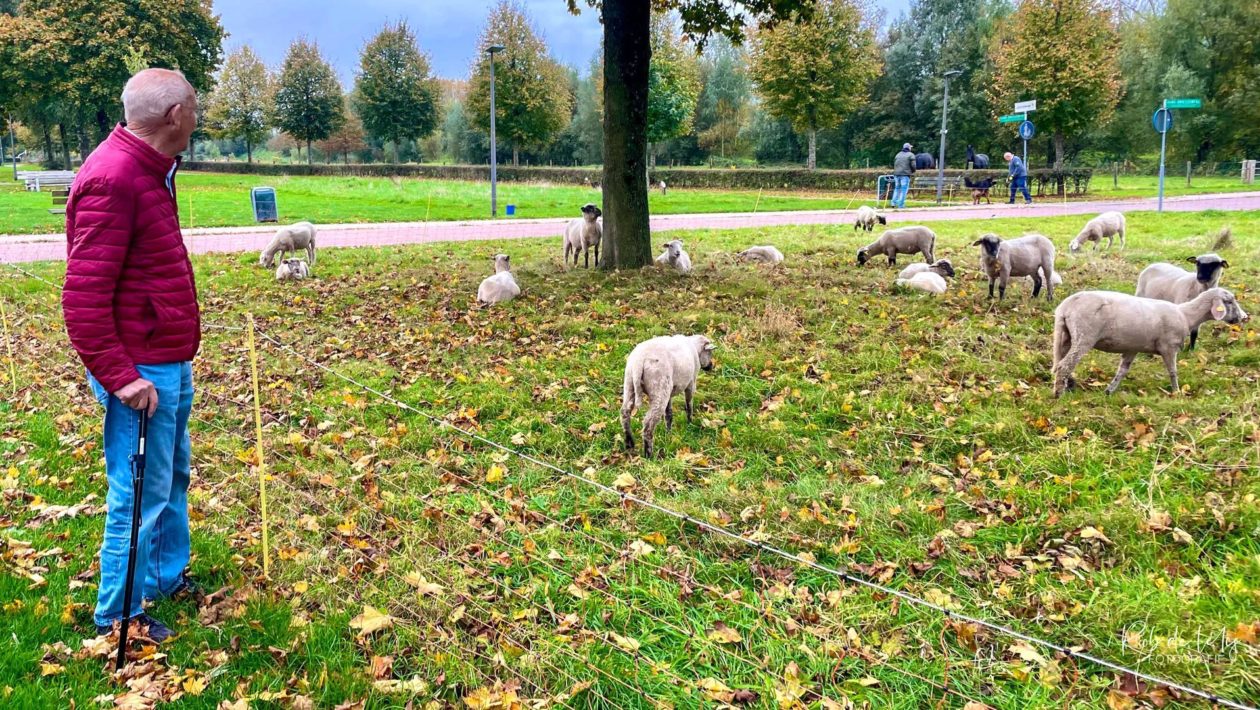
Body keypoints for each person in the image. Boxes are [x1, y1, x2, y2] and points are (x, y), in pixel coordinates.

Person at [62, 68, 202, 642]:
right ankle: (119, 612)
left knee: (171, 478)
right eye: (194, 106)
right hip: (140, 370)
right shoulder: (116, 179)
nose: (198, 115)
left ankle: (164, 577)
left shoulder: (151, 169)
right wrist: (121, 379)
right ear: (173, 116)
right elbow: (83, 297)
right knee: (137, 492)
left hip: (165, 357)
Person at [891, 142, 915, 209]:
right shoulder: (911, 155)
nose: (911, 148)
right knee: (904, 190)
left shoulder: (898, 154)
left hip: (896, 174)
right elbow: (913, 166)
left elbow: (895, 164)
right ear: (908, 148)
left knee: (897, 189)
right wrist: (912, 172)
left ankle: (893, 203)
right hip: (905, 175)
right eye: (910, 147)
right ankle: (901, 205)